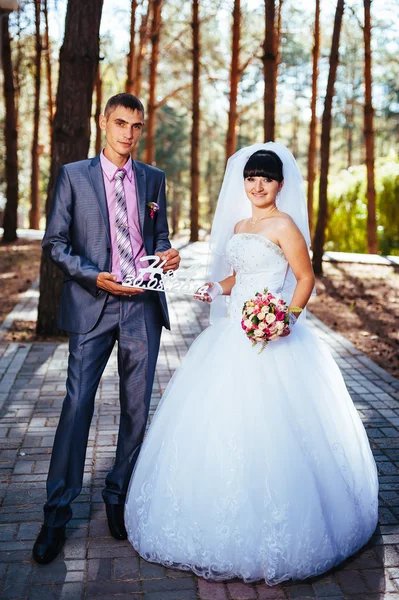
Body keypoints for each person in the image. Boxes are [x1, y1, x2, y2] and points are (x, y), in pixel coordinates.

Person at [124, 142, 378, 585]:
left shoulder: (285, 225)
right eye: (251, 178)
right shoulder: (242, 224)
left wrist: (287, 318)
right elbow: (239, 275)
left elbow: (304, 278)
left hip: (270, 335)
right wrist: (216, 288)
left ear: (280, 184)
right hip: (230, 337)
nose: (257, 185)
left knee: (275, 429)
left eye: (266, 179)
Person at [32, 93, 180, 565]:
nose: (128, 134)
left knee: (137, 407)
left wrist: (168, 254)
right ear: (103, 122)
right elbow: (54, 242)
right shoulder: (74, 176)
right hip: (93, 302)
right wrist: (91, 274)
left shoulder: (153, 179)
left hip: (141, 306)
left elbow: (158, 237)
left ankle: (118, 496)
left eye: (136, 126)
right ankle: (56, 514)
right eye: (120, 123)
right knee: (78, 405)